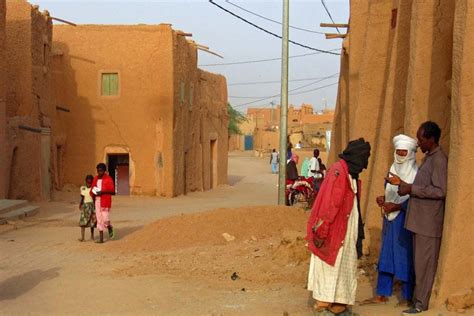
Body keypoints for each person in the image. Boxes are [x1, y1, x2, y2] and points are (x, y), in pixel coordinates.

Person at [387, 122, 447, 314]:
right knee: (419, 264)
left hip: (428, 224)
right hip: (420, 222)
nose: (418, 143)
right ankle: (417, 300)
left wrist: (412, 188)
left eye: (421, 139)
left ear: (431, 139)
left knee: (425, 265)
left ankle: (421, 304)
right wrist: (403, 184)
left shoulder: (438, 160)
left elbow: (440, 191)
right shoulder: (429, 159)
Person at [306, 138, 371, 314]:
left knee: (344, 267)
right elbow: (328, 205)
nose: (365, 165)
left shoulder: (350, 173)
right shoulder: (338, 172)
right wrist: (322, 230)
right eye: (364, 159)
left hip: (346, 231)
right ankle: (322, 305)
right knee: (329, 266)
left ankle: (338, 305)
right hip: (333, 230)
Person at [360, 135, 417, 306]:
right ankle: (382, 293)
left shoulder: (415, 173)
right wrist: (383, 200)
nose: (400, 155)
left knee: (404, 256)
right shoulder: (392, 169)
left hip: (404, 219)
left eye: (403, 152)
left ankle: (408, 296)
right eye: (398, 151)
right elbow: (390, 192)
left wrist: (398, 207)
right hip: (389, 219)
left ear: (410, 153)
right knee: (386, 256)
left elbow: (416, 198)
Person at [91, 163, 116, 243]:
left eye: (101, 170)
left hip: (105, 200)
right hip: (97, 201)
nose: (99, 172)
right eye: (98, 170)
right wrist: (94, 195)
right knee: (99, 219)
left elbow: (112, 191)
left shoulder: (108, 179)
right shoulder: (95, 179)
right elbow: (92, 189)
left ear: (104, 171)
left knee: (105, 218)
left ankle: (109, 227)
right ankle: (101, 239)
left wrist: (102, 192)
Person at [78, 175, 96, 242]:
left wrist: (95, 206)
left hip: (92, 206)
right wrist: (80, 204)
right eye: (87, 182)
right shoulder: (83, 188)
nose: (89, 184)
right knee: (83, 222)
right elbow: (82, 198)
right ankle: (82, 237)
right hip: (85, 206)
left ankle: (92, 236)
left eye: (90, 182)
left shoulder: (94, 189)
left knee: (92, 222)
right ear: (85, 182)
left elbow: (94, 198)